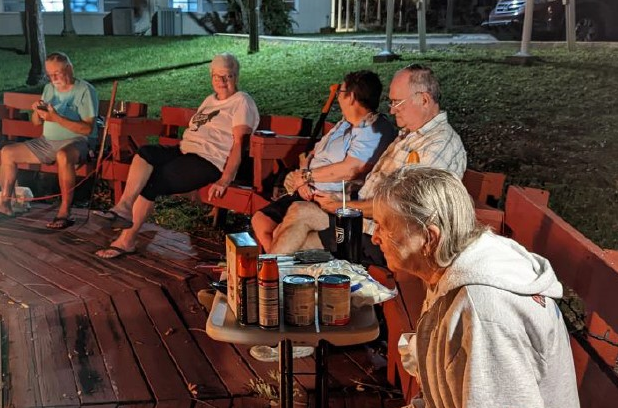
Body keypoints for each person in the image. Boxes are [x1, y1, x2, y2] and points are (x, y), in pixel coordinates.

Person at [304, 167, 582, 408]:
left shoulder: (484, 314)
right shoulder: (456, 265)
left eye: (385, 226)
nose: (375, 237)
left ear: (429, 237)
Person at [270, 63, 467, 264]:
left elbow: (401, 206)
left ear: (424, 99)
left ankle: (267, 279)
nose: (392, 110)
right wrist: (339, 200)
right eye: (390, 102)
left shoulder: (439, 144)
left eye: (397, 102)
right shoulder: (410, 135)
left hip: (382, 238)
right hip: (363, 222)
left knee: (297, 234)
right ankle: (268, 278)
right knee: (291, 224)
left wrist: (341, 206)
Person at [93, 53, 259, 258]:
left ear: (236, 76)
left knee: (152, 181)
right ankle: (124, 208)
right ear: (211, 77)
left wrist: (225, 179)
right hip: (185, 151)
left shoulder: (242, 101)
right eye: (217, 76)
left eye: (228, 76)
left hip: (209, 161)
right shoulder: (210, 100)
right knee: (146, 153)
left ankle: (127, 241)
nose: (222, 81)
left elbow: (240, 144)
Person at [251, 70, 394, 253]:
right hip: (307, 189)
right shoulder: (343, 124)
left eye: (340, 92)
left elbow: (351, 169)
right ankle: (274, 261)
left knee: (280, 231)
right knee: (261, 221)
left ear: (351, 97)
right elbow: (310, 154)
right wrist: (302, 176)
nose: (337, 96)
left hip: (327, 198)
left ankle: (272, 264)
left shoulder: (372, 129)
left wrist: (307, 177)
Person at [0, 52, 98, 229]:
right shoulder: (49, 89)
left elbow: (87, 129)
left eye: (57, 73)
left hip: (77, 141)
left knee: (63, 156)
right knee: (8, 152)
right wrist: (37, 111)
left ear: (69, 69)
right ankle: (5, 204)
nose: (54, 79)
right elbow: (36, 123)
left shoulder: (85, 90)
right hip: (47, 142)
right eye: (50, 75)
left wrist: (55, 117)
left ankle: (65, 211)